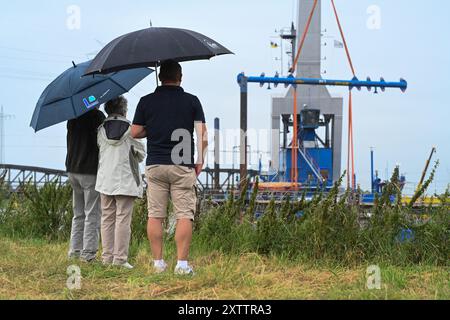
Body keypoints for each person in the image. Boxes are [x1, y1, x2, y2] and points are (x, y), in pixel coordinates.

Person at [131, 60, 208, 275]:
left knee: (155, 214)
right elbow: (202, 134)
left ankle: (158, 263)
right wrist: (200, 160)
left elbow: (134, 132)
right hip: (182, 164)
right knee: (184, 214)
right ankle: (182, 265)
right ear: (180, 76)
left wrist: (152, 129)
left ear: (160, 77)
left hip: (155, 164)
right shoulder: (192, 101)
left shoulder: (146, 101)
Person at [95, 96, 146, 269]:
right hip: (125, 179)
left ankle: (106, 257)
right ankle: (120, 259)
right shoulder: (131, 130)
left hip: (105, 179)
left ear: (107, 110)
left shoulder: (101, 129)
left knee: (107, 219)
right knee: (123, 219)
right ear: (124, 109)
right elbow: (141, 154)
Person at [66, 108, 105, 262]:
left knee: (78, 213)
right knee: (92, 214)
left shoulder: (72, 116)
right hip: (90, 170)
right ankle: (88, 254)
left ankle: (74, 251)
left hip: (72, 169)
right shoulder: (97, 116)